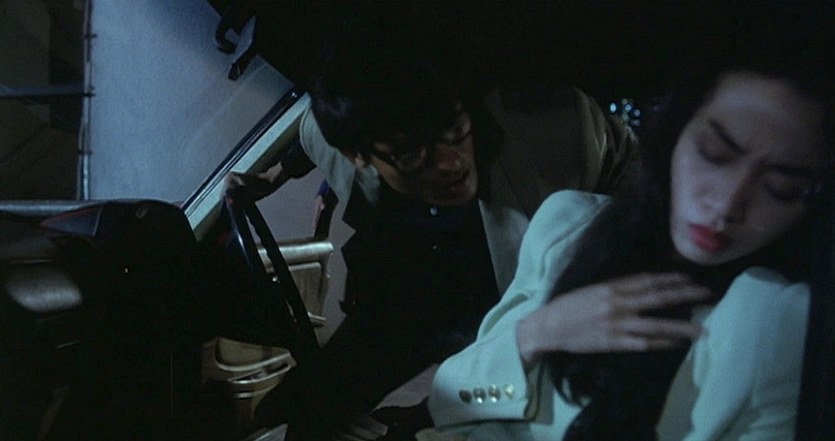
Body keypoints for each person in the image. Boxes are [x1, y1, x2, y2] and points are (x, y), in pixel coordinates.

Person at [230, 9, 638, 440]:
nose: (451, 162)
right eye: (411, 154)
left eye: (453, 128)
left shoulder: (552, 130)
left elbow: (635, 174)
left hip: (494, 301)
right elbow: (310, 138)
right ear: (359, 156)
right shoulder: (334, 137)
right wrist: (271, 177)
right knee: (306, 405)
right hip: (405, 298)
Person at [425, 24, 834, 441]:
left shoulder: (783, 323)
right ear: (675, 132)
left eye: (780, 187)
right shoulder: (568, 228)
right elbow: (448, 399)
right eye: (715, 154)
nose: (727, 205)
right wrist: (541, 331)